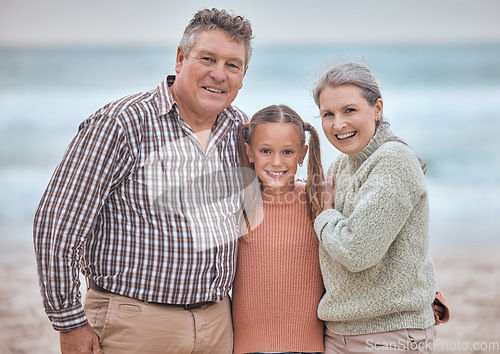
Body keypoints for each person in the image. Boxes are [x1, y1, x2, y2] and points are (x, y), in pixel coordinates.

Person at [33, 8, 253, 354]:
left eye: (232, 65)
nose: (218, 74)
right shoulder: (121, 124)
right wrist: (69, 322)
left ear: (243, 75)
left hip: (218, 325)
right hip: (134, 324)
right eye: (207, 58)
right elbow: (57, 226)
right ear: (180, 59)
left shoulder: (240, 128)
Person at [312, 62, 442, 353]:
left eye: (350, 110)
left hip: (389, 334)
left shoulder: (394, 160)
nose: (338, 124)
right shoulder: (341, 164)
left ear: (377, 108)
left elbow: (357, 251)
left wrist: (325, 213)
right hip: (338, 332)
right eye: (327, 114)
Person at [231, 104, 325, 354]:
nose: (276, 161)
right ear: (249, 152)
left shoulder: (320, 203)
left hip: (308, 347)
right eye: (265, 151)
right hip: (246, 348)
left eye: (287, 152)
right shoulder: (236, 206)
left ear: (303, 154)